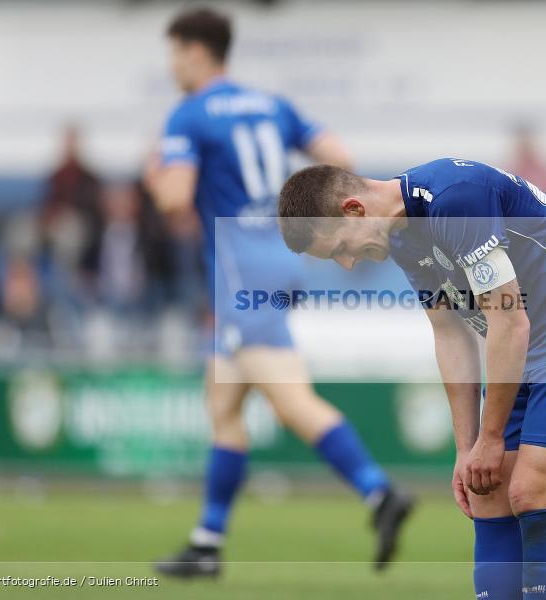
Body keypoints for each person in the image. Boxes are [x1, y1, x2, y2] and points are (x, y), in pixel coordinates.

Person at [277, 159, 546, 599]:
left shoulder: (455, 199)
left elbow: (509, 322)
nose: (348, 265)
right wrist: (467, 447)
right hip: (525, 343)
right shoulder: (402, 236)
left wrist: (490, 438)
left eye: (339, 249)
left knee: (531, 490)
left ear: (354, 210)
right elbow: (450, 333)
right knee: (485, 490)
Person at [143, 8, 412, 577]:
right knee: (223, 404)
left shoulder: (188, 116)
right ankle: (207, 542)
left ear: (195, 52)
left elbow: (173, 200)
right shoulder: (271, 104)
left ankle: (378, 493)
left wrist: (157, 172)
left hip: (239, 267)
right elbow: (340, 156)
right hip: (277, 257)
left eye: (174, 54)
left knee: (291, 400)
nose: (171, 66)